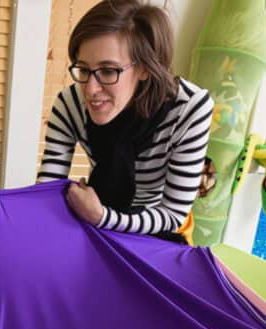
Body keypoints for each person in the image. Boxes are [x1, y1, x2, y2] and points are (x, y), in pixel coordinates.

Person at [37, 0, 214, 244]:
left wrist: (102, 217)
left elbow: (172, 213)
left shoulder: (189, 109)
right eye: (84, 70)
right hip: (93, 220)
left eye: (108, 71)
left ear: (144, 68)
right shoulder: (70, 104)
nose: (90, 89)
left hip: (157, 232)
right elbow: (46, 191)